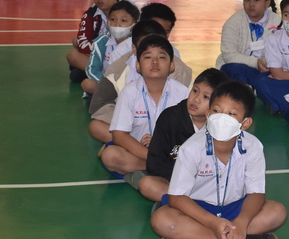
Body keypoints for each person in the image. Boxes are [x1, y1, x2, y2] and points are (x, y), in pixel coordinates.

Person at [150, 80, 287, 239]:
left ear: (245, 123)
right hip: (198, 210)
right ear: (208, 114)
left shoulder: (253, 147)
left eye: (231, 114)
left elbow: (256, 193)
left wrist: (242, 222)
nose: (222, 118)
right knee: (161, 220)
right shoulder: (191, 148)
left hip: (236, 208)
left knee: (277, 213)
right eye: (217, 111)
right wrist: (213, 222)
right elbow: (177, 198)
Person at [87, 20, 193, 144]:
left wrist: (160, 137)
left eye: (160, 54)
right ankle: (138, 147)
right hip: (133, 130)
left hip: (168, 134)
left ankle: (136, 150)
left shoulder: (181, 71)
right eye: (147, 52)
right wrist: (129, 122)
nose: (154, 61)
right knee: (96, 127)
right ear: (134, 48)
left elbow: (191, 117)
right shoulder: (118, 69)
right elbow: (98, 104)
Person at [100, 35, 189, 175]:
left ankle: (147, 170)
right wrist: (153, 155)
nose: (155, 62)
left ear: (172, 66)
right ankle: (160, 168)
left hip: (170, 151)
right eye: (147, 57)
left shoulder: (183, 93)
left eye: (161, 57)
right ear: (138, 66)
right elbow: (119, 135)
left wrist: (160, 145)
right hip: (139, 152)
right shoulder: (129, 92)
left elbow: (188, 133)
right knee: (110, 156)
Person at [136, 68, 228, 203]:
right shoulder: (169, 118)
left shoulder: (223, 127)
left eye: (206, 97)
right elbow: (155, 162)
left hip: (209, 187)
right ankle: (190, 205)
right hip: (176, 183)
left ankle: (181, 205)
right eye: (195, 91)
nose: (196, 99)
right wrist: (185, 180)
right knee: (147, 184)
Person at [218, 0, 282, 92]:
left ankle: (257, 89)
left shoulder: (278, 23)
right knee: (233, 70)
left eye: (256, 0)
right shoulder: (233, 23)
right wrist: (255, 63)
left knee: (276, 77)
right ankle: (249, 92)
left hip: (267, 70)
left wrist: (268, 65)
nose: (251, 4)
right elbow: (229, 55)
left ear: (267, 2)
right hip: (240, 69)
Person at [66, 0, 123, 81]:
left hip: (120, 57)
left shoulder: (127, 14)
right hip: (99, 56)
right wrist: (100, 54)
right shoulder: (90, 14)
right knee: (72, 54)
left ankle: (91, 73)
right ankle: (102, 75)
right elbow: (83, 42)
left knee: (77, 76)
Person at [82, 0, 140, 95]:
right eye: (113, 19)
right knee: (87, 84)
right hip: (107, 83)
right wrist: (110, 83)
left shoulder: (137, 43)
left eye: (123, 21)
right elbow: (92, 69)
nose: (117, 24)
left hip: (130, 83)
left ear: (134, 25)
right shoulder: (101, 41)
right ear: (108, 21)